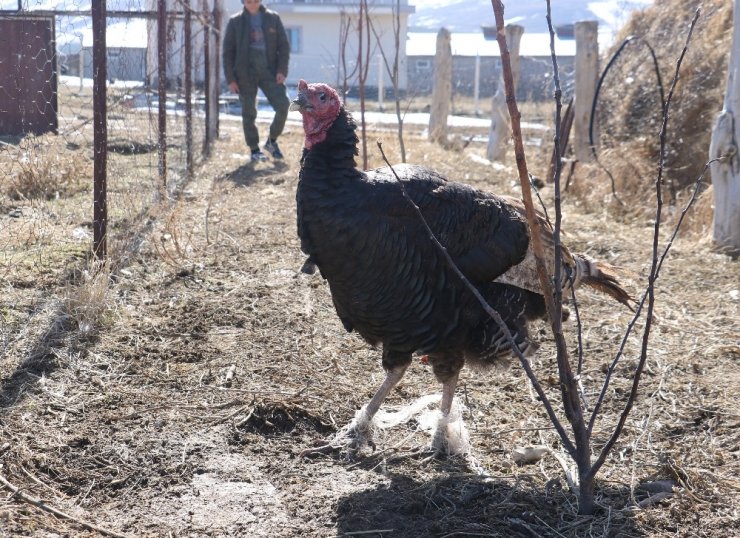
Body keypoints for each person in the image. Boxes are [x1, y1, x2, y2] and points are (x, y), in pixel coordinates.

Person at [222, 0, 290, 162]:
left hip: (270, 71)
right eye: (249, 1)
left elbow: (284, 46)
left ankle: (272, 142)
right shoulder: (235, 22)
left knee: (283, 105)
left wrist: (281, 70)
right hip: (245, 72)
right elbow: (227, 52)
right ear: (243, 2)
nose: (252, 4)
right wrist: (231, 79)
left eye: (256, 0)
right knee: (249, 112)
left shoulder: (273, 18)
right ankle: (254, 149)